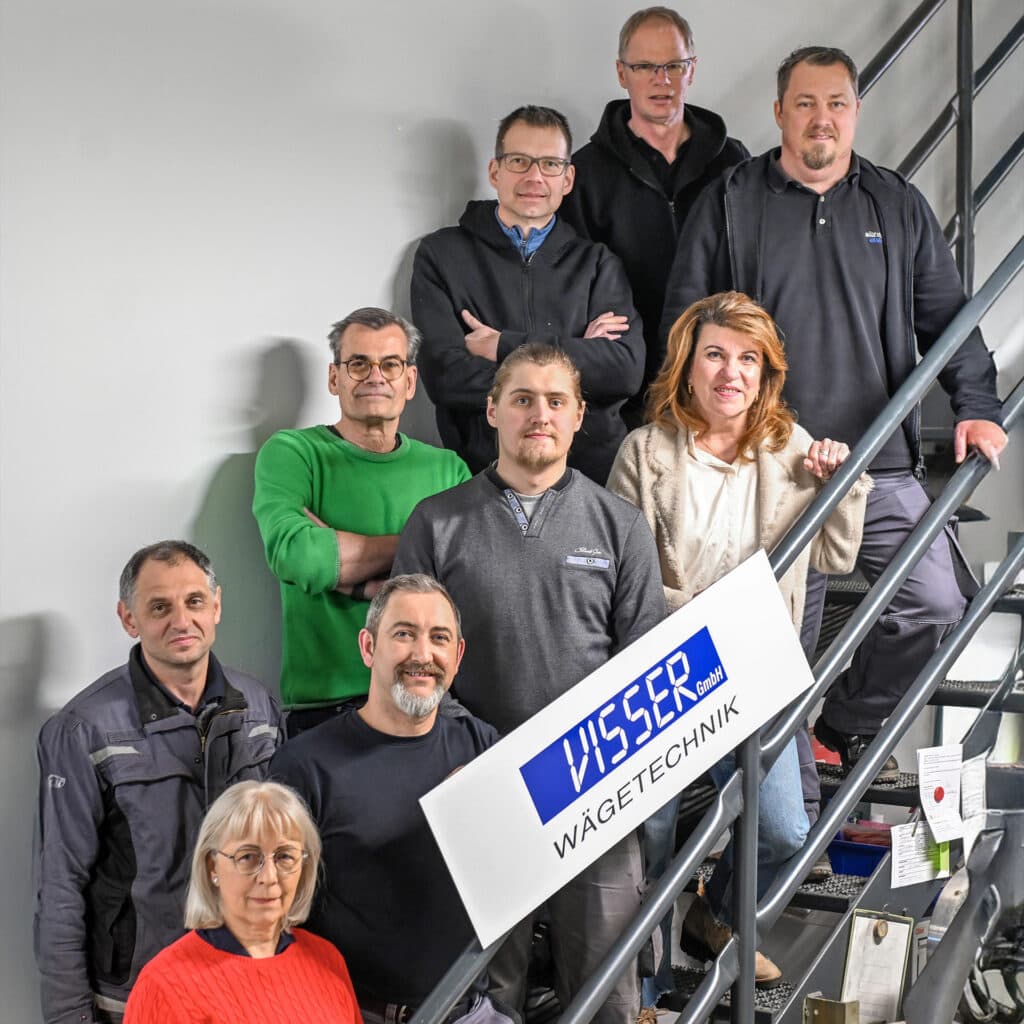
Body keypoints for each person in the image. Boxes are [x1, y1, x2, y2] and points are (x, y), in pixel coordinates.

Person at [658, 45, 1007, 777]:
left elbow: (949, 317)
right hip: (770, 465)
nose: (823, 119)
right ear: (780, 111)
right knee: (775, 656)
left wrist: (976, 406)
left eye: (837, 103)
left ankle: (843, 725)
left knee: (938, 603)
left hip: (877, 461)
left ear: (855, 113)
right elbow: (687, 324)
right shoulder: (730, 199)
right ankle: (779, 824)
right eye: (807, 103)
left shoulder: (896, 203)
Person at [393, 344, 666, 1024]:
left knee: (604, 990)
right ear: (492, 411)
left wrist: (590, 766)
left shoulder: (621, 527)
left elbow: (641, 664)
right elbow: (413, 659)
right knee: (488, 993)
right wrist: (478, 752)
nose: (537, 414)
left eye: (554, 401)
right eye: (521, 399)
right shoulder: (437, 521)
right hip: (483, 786)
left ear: (578, 417)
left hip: (595, 790)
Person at [609, 291, 872, 993]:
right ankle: (651, 988)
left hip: (754, 670)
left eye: (748, 359)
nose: (731, 373)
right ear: (688, 366)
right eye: (716, 355)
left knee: (785, 829)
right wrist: (706, 615)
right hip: (669, 667)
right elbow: (624, 578)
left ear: (766, 373)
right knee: (655, 836)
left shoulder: (789, 447)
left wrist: (834, 483)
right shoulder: (643, 451)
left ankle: (714, 915)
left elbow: (839, 558)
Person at [34, 541, 282, 1024]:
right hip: (138, 998)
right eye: (159, 607)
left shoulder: (259, 708)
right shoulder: (84, 728)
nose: (181, 621)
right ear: (130, 619)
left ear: (217, 606)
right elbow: (60, 888)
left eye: (193, 602)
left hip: (246, 984)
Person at [270, 574, 514, 1024]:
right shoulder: (303, 766)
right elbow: (274, 918)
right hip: (352, 1013)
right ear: (368, 648)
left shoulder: (483, 749)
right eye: (403, 634)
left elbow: (522, 869)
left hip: (470, 1012)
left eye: (439, 638)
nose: (423, 655)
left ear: (457, 656)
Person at [253, 307, 470, 735]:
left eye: (390, 364)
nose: (376, 376)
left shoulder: (448, 469)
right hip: (325, 708)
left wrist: (347, 569)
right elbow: (300, 558)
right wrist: (420, 546)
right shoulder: (294, 454)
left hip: (428, 701)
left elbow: (466, 577)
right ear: (335, 378)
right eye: (358, 364)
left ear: (409, 382)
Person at [411, 104, 645, 485]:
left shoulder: (598, 263)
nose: (535, 176)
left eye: (550, 164)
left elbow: (623, 370)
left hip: (591, 480)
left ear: (567, 179)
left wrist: (503, 345)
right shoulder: (442, 256)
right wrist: (575, 356)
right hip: (484, 478)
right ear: (495, 172)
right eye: (519, 160)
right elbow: (446, 377)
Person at [561, 6, 748, 427]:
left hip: (721, 380)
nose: (661, 80)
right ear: (621, 72)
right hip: (628, 390)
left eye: (674, 66)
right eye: (645, 66)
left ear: (692, 70)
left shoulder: (733, 163)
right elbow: (576, 281)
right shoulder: (586, 171)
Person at [123, 781, 359, 1023]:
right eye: (247, 856)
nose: (269, 877)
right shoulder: (163, 985)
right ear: (211, 865)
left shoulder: (328, 959)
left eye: (285, 856)